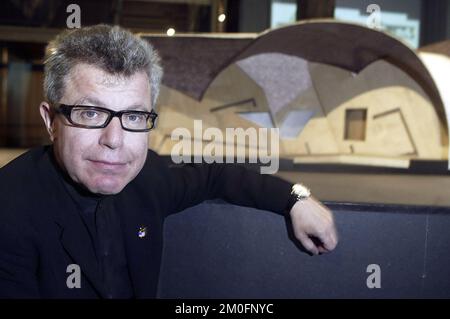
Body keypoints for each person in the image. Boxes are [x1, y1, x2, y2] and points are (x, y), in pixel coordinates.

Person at [0, 24, 337, 299]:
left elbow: (214, 174)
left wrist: (295, 198)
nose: (114, 140)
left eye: (133, 116)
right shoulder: (9, 209)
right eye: (91, 113)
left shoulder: (150, 177)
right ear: (50, 120)